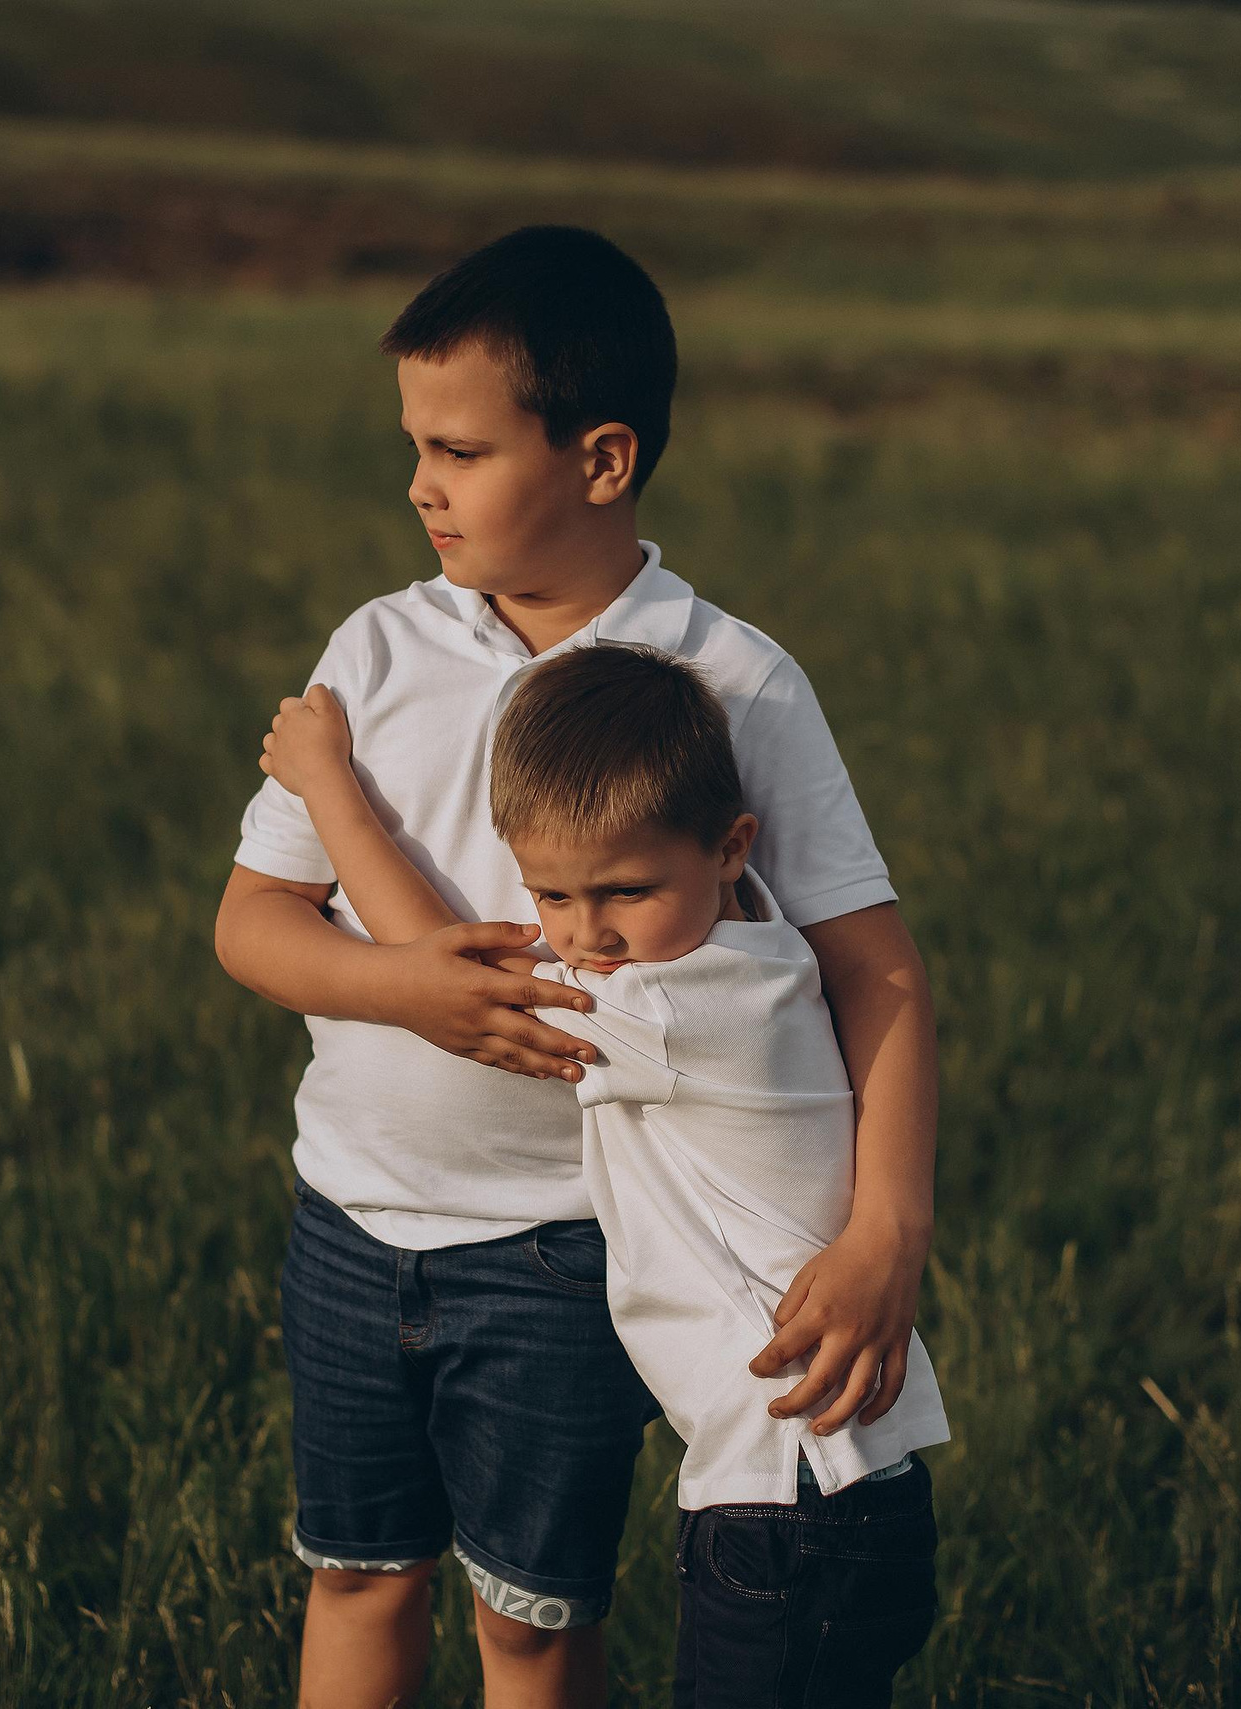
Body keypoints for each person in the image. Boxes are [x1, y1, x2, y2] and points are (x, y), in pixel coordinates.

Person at [212, 224, 941, 1709]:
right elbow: (253, 923)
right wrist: (401, 988)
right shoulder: (374, 649)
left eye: (462, 451)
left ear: (602, 460)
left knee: (532, 1619)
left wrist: (885, 1238)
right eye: (413, 444)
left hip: (558, 1247)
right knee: (356, 1576)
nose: (420, 483)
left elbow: (881, 975)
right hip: (350, 1215)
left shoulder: (731, 681)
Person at [260, 642, 949, 1707]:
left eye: (624, 889)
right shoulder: (751, 941)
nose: (586, 935)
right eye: (551, 895)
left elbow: (450, 969)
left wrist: (328, 786)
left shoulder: (666, 1005)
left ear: (732, 844)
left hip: (788, 1493)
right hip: (838, 1483)